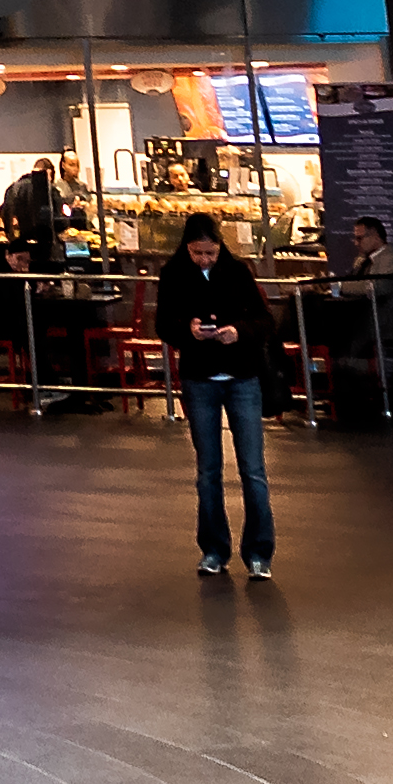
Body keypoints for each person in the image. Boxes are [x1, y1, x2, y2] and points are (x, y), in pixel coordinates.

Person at [150, 210, 280, 578]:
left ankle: (259, 553)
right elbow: (163, 324)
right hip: (200, 378)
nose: (205, 259)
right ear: (186, 248)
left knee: (252, 469)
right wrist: (186, 330)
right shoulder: (173, 275)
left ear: (221, 247)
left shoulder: (238, 272)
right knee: (208, 470)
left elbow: (264, 320)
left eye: (210, 252)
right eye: (197, 252)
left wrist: (238, 331)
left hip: (242, 376)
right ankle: (213, 549)